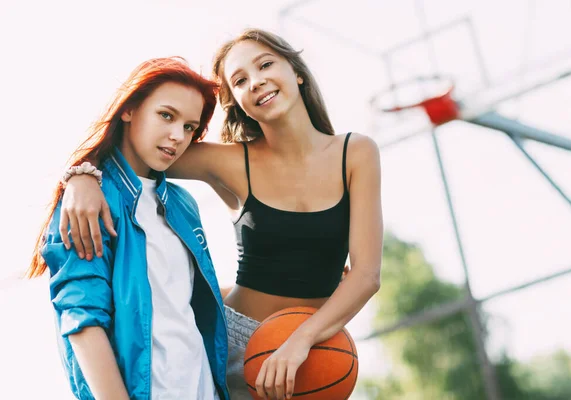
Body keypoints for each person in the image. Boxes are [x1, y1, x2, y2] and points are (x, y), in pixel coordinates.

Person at [60, 28, 382, 400]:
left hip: (315, 347)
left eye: (265, 65)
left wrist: (301, 340)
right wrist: (81, 176)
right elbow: (130, 145)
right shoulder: (229, 162)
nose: (256, 82)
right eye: (241, 80)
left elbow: (367, 275)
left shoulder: (356, 153)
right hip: (236, 345)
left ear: (297, 71)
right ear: (239, 102)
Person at [27, 57, 230, 400]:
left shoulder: (183, 204)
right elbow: (82, 320)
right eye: (166, 115)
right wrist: (81, 176)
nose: (177, 136)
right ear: (129, 110)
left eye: (190, 127)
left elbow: (179, 301)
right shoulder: (90, 199)